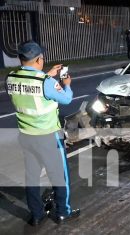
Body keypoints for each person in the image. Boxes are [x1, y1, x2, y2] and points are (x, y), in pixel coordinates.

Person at [6, 41, 80, 226]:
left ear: (21, 59)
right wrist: (66, 84)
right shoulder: (46, 83)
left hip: (26, 136)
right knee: (60, 176)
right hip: (49, 136)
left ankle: (37, 215)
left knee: (31, 176)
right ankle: (63, 212)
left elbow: (31, 86)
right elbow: (66, 99)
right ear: (39, 59)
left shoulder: (11, 77)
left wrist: (46, 75)